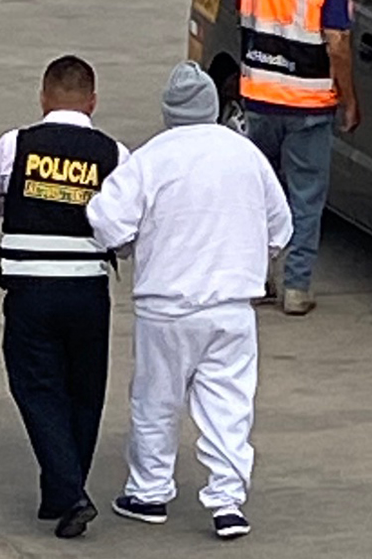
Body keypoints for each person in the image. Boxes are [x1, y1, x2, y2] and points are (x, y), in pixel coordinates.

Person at [88, 61, 292, 542]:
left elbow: (106, 220)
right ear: (214, 108)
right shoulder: (245, 155)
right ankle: (227, 502)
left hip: (166, 306)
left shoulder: (151, 157)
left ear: (168, 112)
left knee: (156, 401)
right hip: (232, 306)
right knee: (229, 404)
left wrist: (128, 245)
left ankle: (149, 492)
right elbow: (280, 227)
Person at [0, 56, 128, 540]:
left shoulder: (16, 144)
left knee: (36, 388)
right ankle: (62, 491)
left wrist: (19, 202)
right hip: (87, 290)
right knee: (84, 391)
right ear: (93, 102)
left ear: (43, 98)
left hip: (30, 289)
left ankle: (69, 492)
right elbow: (127, 225)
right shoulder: (114, 153)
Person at [239, 0, 360, 316]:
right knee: (304, 198)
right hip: (307, 106)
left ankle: (256, 281)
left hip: (258, 98)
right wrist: (349, 99)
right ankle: (295, 287)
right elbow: (338, 45)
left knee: (260, 196)